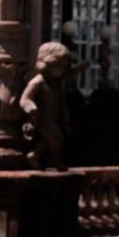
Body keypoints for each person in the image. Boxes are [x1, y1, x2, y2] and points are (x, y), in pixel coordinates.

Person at [21, 42, 74, 170]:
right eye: (59, 65)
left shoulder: (56, 82)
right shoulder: (38, 81)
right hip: (41, 116)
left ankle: (35, 156)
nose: (62, 69)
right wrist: (31, 107)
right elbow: (25, 99)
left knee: (48, 140)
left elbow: (70, 74)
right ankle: (53, 159)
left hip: (54, 117)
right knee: (56, 137)